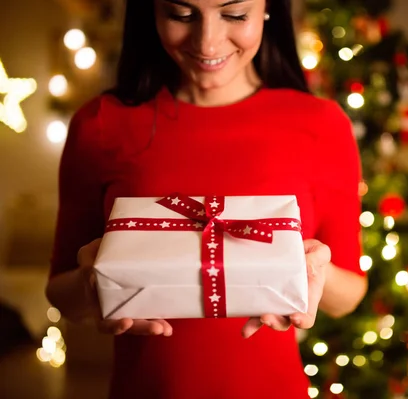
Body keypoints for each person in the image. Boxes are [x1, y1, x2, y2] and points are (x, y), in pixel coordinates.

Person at [45, 0, 368, 398]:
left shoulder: (321, 125)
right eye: (182, 15)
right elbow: (62, 294)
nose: (208, 42)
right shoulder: (100, 124)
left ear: (268, 9)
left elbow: (349, 295)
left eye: (235, 14)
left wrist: (310, 270)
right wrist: (90, 282)